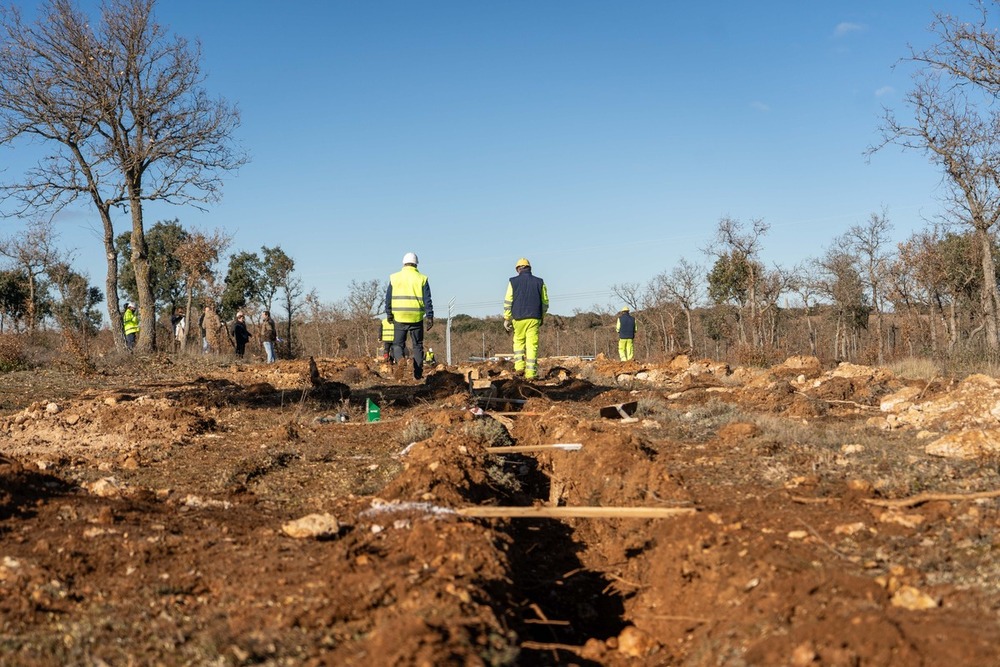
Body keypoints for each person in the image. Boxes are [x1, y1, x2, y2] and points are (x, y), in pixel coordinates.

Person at [385, 252, 433, 380]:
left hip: (399, 316)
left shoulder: (394, 277)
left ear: (403, 263)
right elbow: (427, 299)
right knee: (417, 345)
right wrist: (430, 316)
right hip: (416, 317)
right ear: (416, 263)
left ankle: (400, 359)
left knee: (397, 345)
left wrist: (389, 313)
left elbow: (388, 297)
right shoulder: (422, 278)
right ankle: (417, 374)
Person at [503, 258, 548, 379]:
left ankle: (519, 368)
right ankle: (531, 374)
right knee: (532, 345)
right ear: (530, 268)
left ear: (518, 269)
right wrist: (542, 316)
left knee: (518, 343)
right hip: (534, 318)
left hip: (518, 318)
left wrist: (507, 318)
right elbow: (545, 303)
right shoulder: (540, 282)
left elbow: (508, 301)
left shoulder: (513, 282)